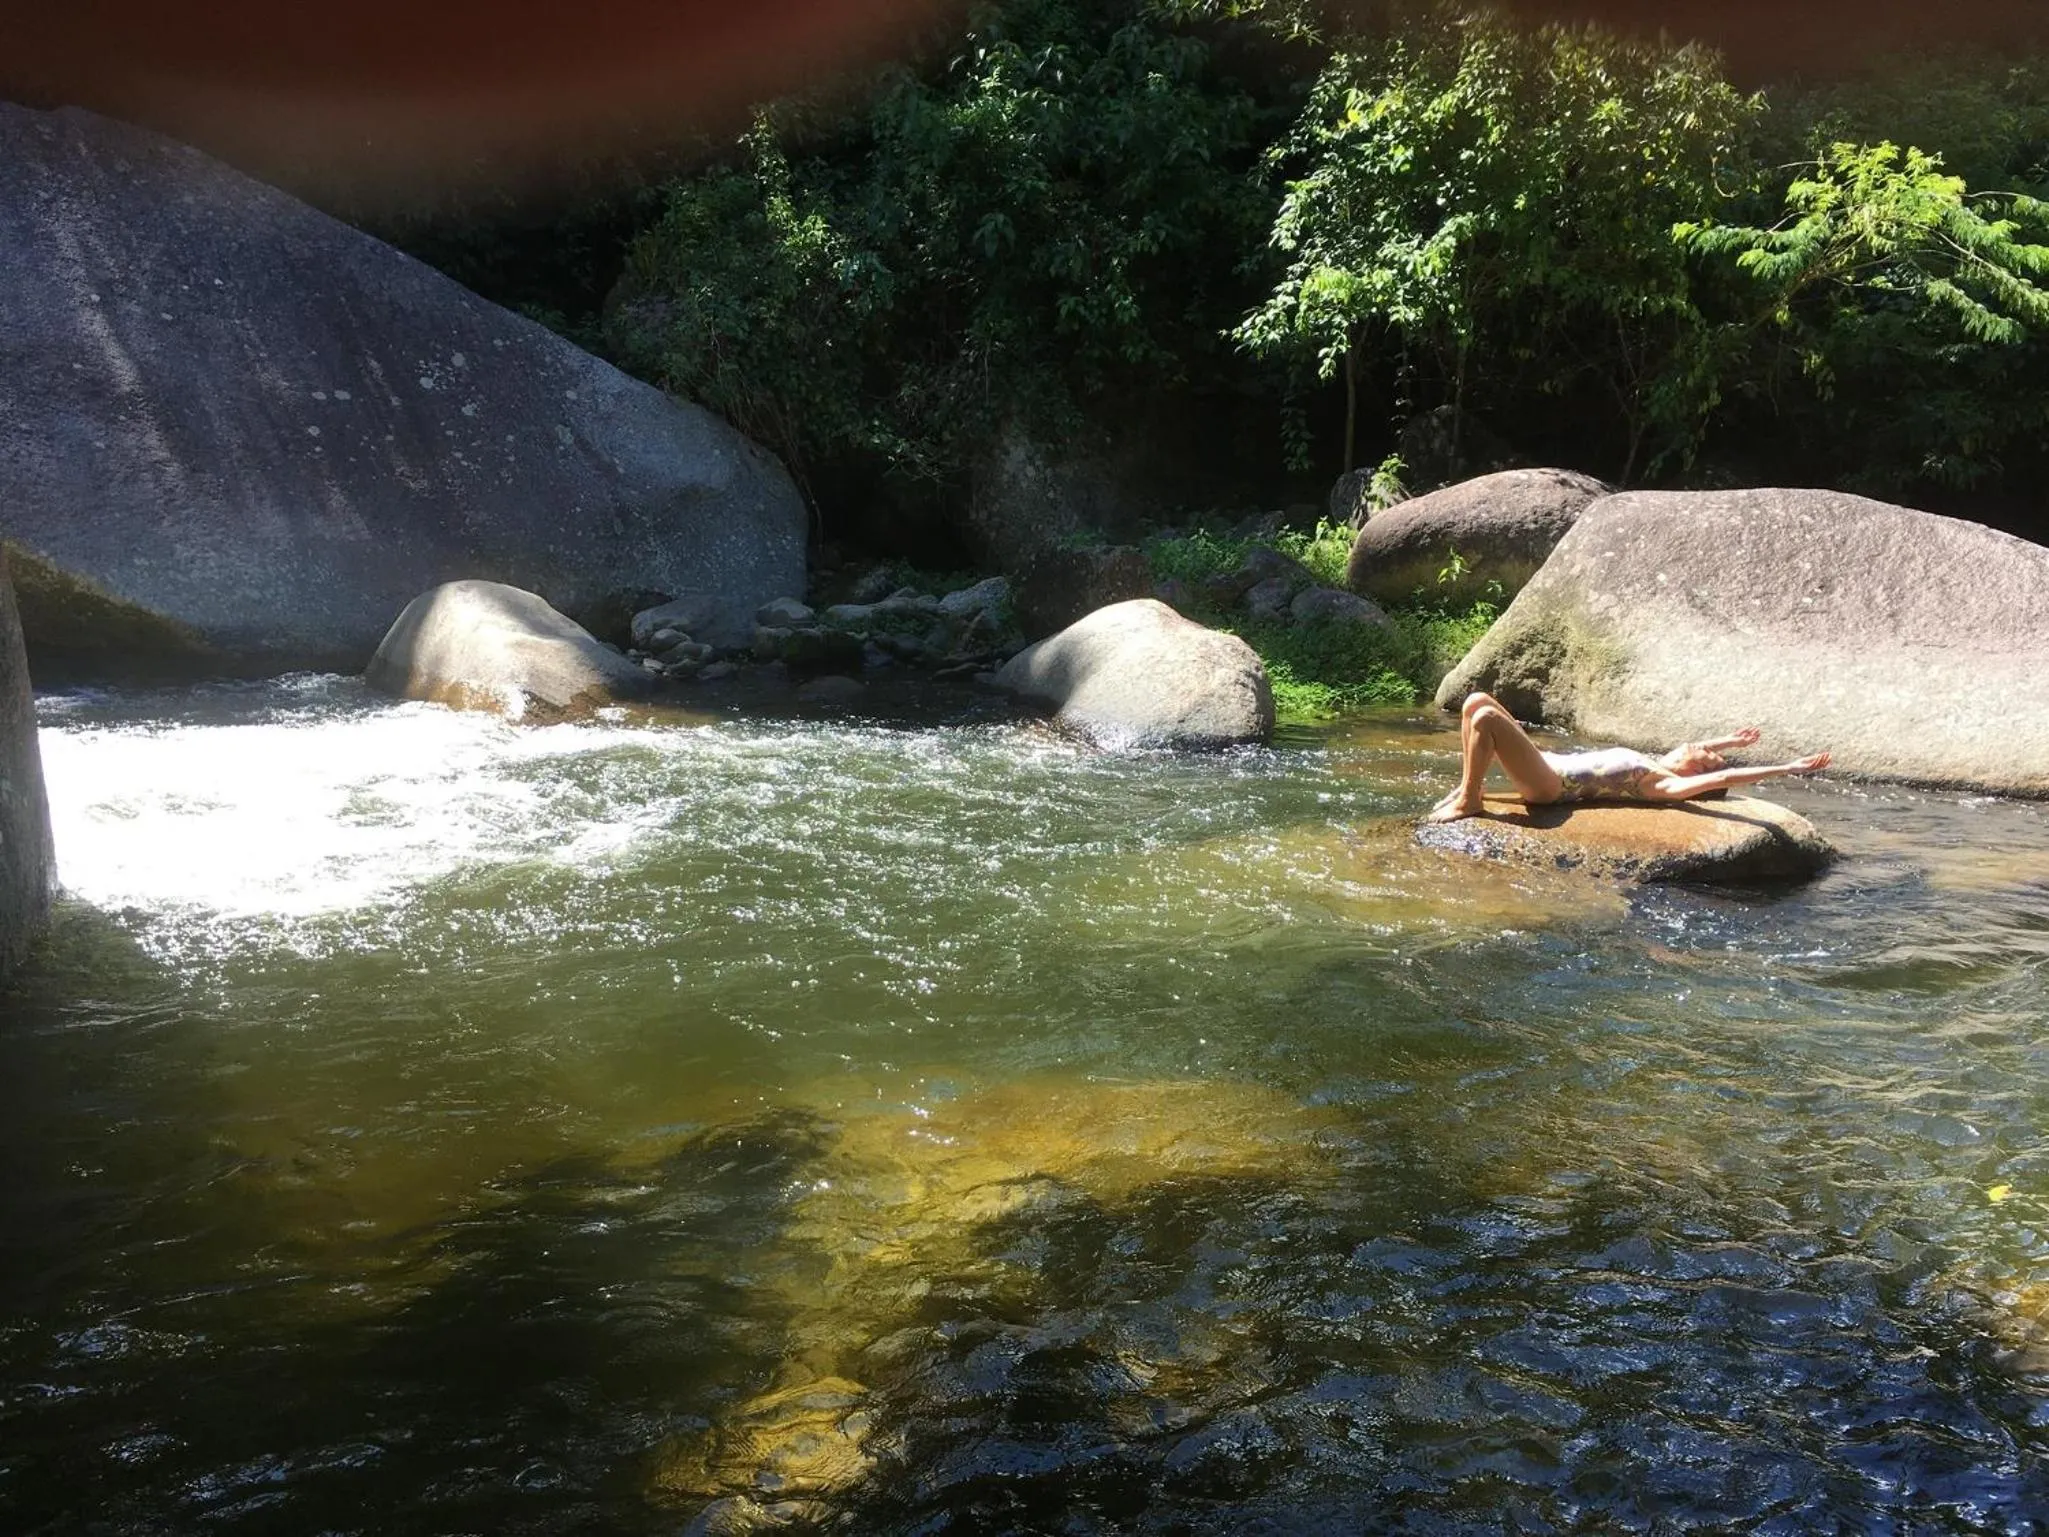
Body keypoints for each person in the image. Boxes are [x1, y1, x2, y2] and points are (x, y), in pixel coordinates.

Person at [1427, 692, 1830, 822]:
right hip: (1548, 763)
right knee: (1476, 700)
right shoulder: (1663, 762)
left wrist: (1787, 768)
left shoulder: (1664, 784)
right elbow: (1699, 754)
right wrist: (1730, 743)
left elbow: (1723, 780)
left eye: (1705, 755)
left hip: (1549, 787)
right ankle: (1467, 787)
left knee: (1484, 717)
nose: (1699, 747)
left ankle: (1470, 798)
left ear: (1695, 774)